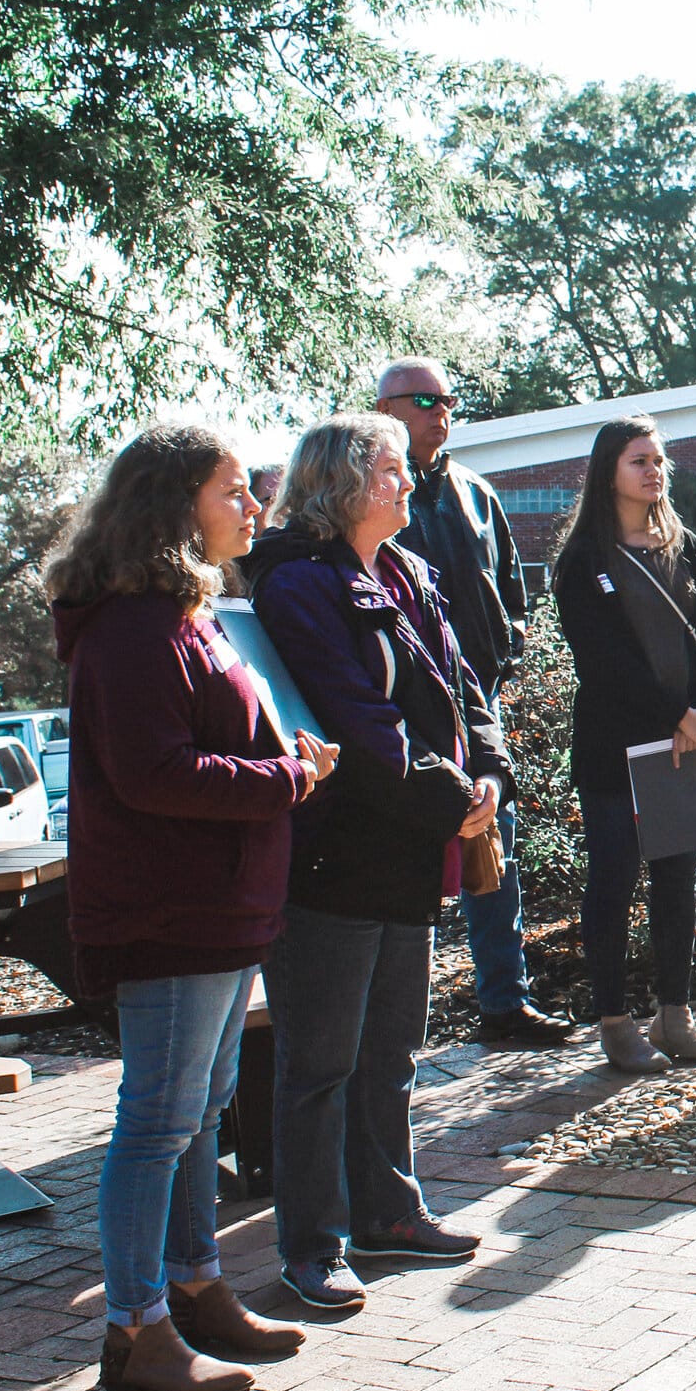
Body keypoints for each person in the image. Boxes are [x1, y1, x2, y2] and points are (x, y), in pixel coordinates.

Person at [47, 424, 336, 1391]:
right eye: (231, 490)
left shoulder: (183, 614)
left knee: (199, 1113)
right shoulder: (132, 626)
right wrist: (282, 777)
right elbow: (152, 772)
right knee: (158, 1122)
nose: (253, 506)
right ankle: (135, 1327)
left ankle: (195, 1284)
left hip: (220, 907)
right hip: (170, 910)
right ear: (175, 505)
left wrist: (282, 760)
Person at [241, 412, 508, 1311]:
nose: (407, 483)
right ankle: (312, 1244)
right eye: (391, 470)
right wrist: (452, 798)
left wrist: (491, 776)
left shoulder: (407, 571)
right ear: (342, 485)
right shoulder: (298, 586)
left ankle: (387, 1215)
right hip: (336, 858)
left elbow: (467, 688)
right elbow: (357, 724)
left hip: (409, 852)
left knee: (392, 1046)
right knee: (319, 1062)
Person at [376, 358, 567, 1045]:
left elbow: (511, 591)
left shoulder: (476, 494)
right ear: (385, 407)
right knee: (408, 861)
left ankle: (504, 1002)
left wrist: (506, 650)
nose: (441, 410)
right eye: (425, 398)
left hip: (475, 701)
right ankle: (397, 1022)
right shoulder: (365, 494)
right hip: (398, 709)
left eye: (449, 399)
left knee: (495, 849)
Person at [550, 416, 696, 1073]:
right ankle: (616, 1021)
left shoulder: (687, 545)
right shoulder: (583, 560)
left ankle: (674, 1015)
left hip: (684, 746)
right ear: (608, 471)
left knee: (677, 881)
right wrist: (679, 714)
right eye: (638, 460)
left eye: (659, 459)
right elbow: (604, 663)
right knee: (614, 881)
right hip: (617, 750)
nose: (654, 471)